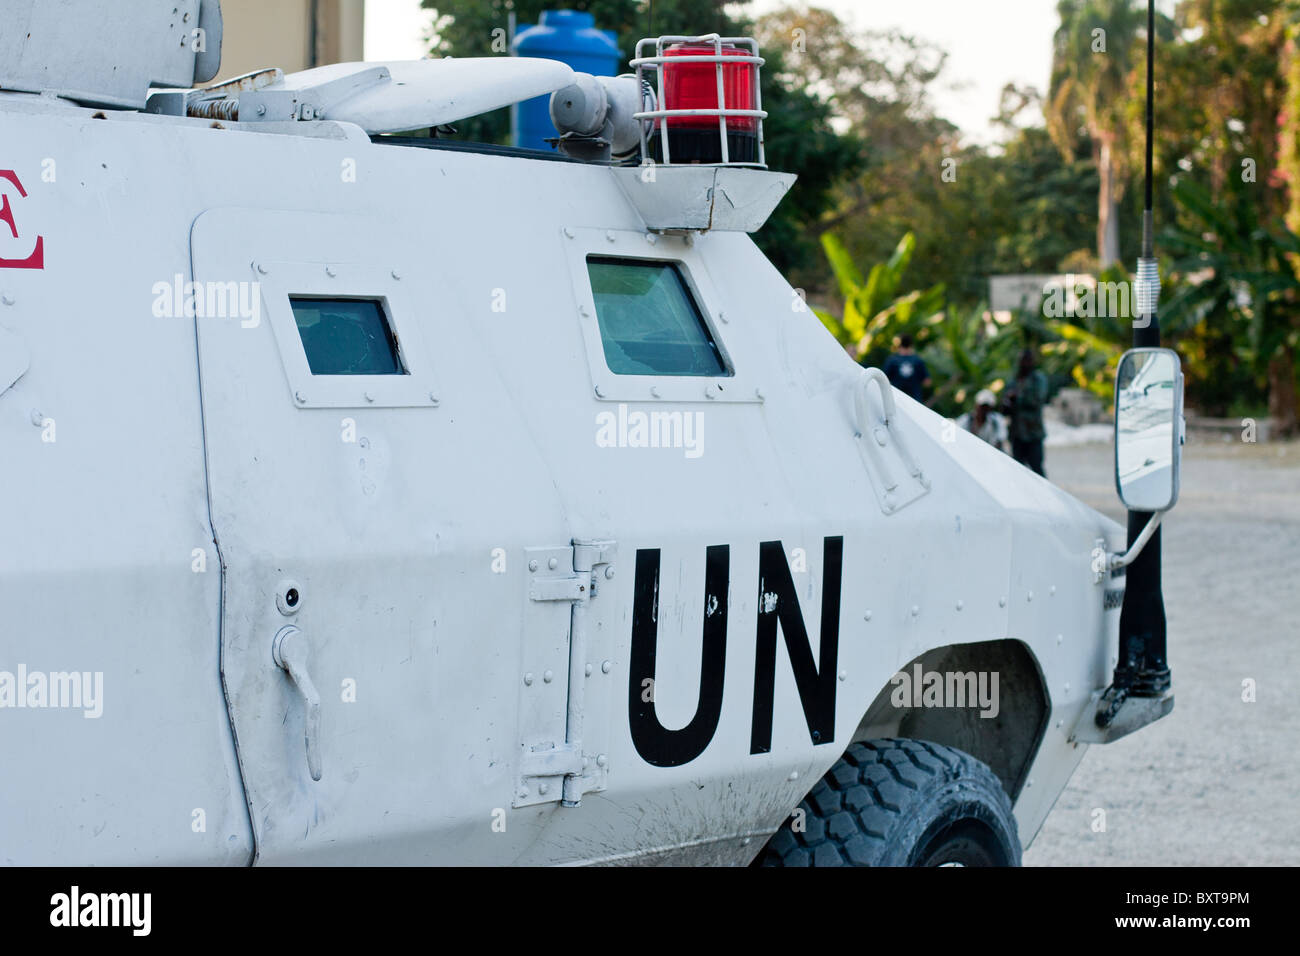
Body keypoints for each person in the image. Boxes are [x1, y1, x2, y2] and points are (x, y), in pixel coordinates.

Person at [1002, 348, 1049, 476]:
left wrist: (1017, 398)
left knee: (1037, 471)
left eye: (1027, 360)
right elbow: (1005, 405)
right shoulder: (1014, 381)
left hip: (1033, 433)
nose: (1024, 363)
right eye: (1022, 360)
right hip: (1017, 434)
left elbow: (1037, 400)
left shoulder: (1038, 380)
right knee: (1017, 472)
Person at [882, 334, 931, 404]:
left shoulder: (892, 360)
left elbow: (884, 379)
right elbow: (927, 382)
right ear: (911, 345)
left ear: (899, 346)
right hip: (915, 401)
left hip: (896, 400)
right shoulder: (918, 360)